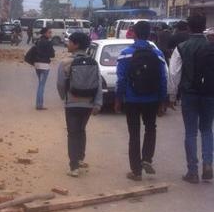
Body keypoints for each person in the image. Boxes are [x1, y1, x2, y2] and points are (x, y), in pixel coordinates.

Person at [115, 20, 168, 180]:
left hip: (132, 99)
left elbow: (121, 79)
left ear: (134, 34)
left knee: (134, 133)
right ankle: (147, 159)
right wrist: (162, 100)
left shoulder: (126, 53)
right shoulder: (158, 54)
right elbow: (163, 78)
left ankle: (136, 171)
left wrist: (118, 98)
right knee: (150, 128)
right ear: (150, 34)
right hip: (152, 98)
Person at [168, 14, 214, 183]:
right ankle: (208, 163)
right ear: (204, 26)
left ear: (188, 27)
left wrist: (172, 95)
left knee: (191, 132)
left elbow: (174, 73)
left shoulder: (182, 48)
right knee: (207, 129)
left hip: (189, 94)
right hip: (209, 93)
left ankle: (192, 171)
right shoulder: (211, 46)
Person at [57, 31, 102, 177]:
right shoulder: (93, 63)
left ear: (76, 45)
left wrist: (64, 97)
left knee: (72, 133)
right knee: (81, 130)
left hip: (72, 103)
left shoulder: (65, 62)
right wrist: (98, 103)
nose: (68, 44)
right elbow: (99, 84)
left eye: (70, 42)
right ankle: (81, 158)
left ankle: (74, 167)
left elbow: (60, 84)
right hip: (88, 103)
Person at [30, 27, 55, 110]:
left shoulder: (38, 41)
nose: (50, 34)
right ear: (45, 33)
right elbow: (52, 55)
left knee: (40, 84)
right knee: (41, 85)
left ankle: (39, 104)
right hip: (44, 65)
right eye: (49, 32)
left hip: (37, 65)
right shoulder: (48, 42)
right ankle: (39, 105)